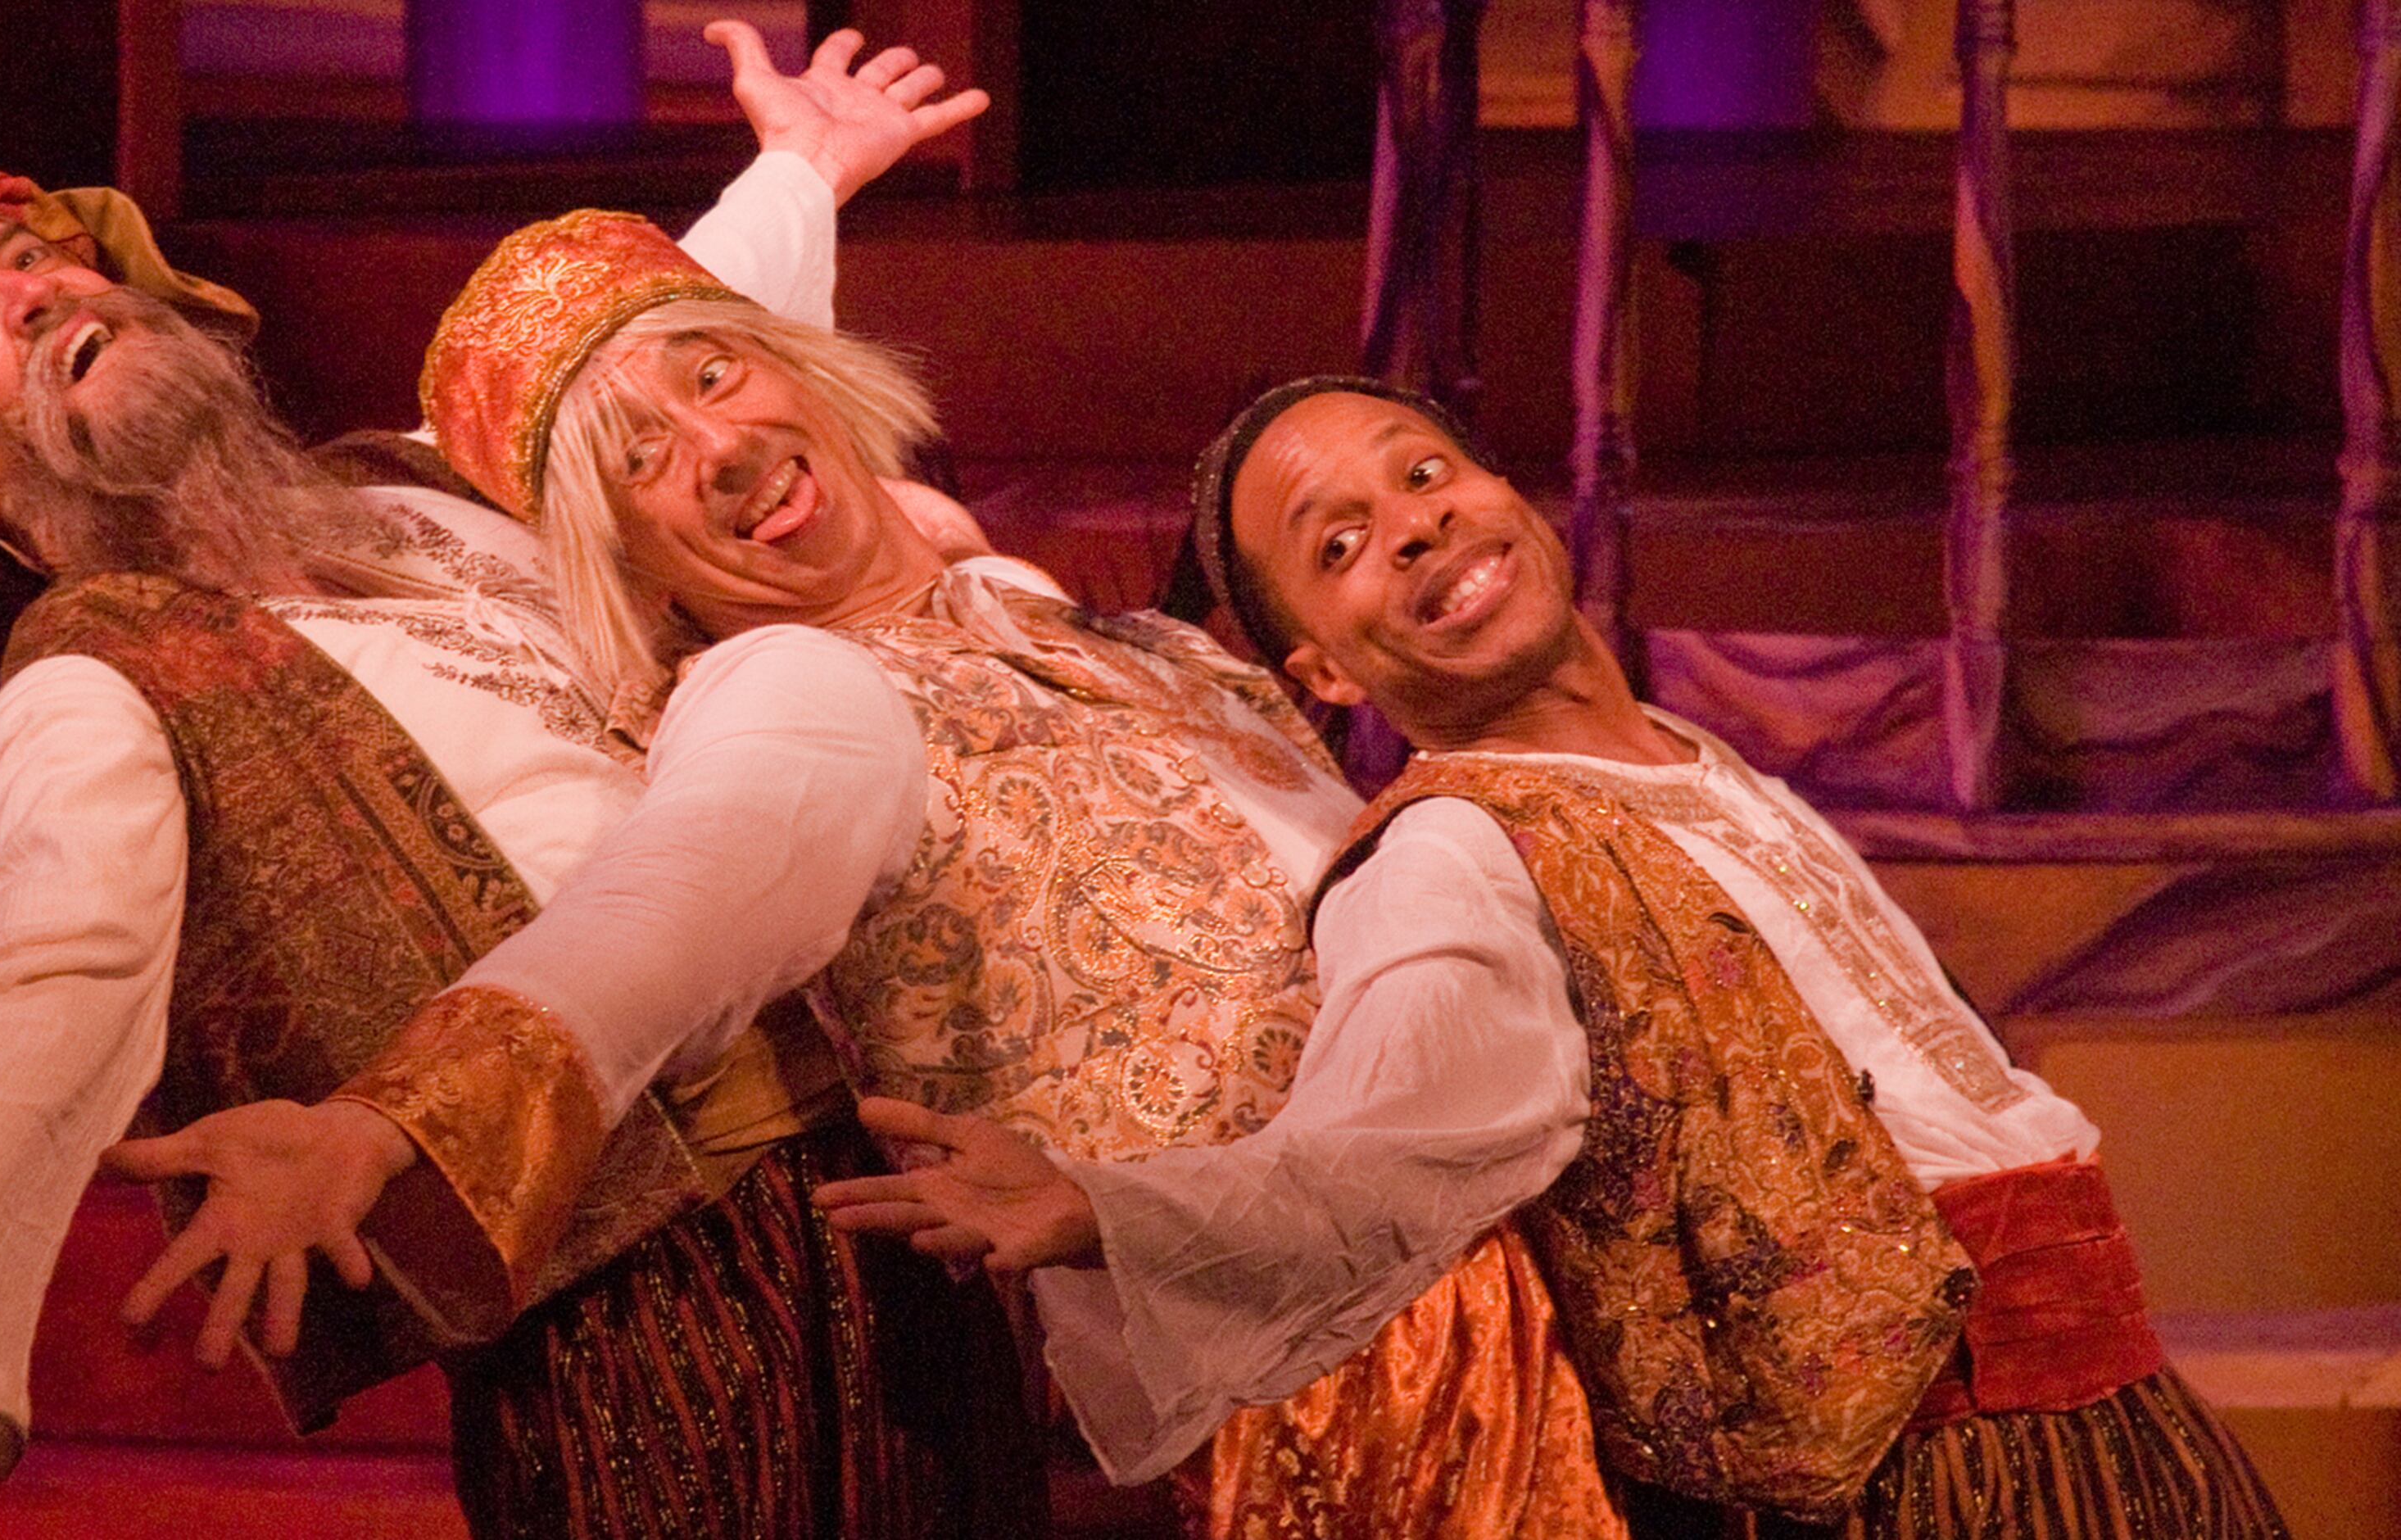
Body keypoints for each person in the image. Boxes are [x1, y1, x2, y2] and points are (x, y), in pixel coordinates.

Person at [0, 27, 1045, 1538]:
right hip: (632, 1293)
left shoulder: (420, 488)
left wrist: (804, 167)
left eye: (31, 253)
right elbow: (49, 966)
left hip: (897, 1212)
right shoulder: (96, 673)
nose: (30, 292)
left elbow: (622, 378)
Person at [138, 211, 1629, 1538]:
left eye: (714, 373)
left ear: (801, 371)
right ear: (625, 556)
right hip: (1324, 1393)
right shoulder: (786, 689)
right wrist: (393, 1127)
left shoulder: (1100, 629)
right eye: (639, 457)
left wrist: (803, 163)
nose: (715, 448)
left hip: (1547, 1282)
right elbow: (671, 906)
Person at [818, 374, 2295, 1538]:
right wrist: (1100, 1210)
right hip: (1930, 1476)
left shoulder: (1706, 763)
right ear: (1325, 671)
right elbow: (1380, 1151)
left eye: (1421, 473)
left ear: (1507, 493)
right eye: (1337, 545)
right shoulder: (1456, 853)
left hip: (2120, 1417)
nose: (1410, 525)